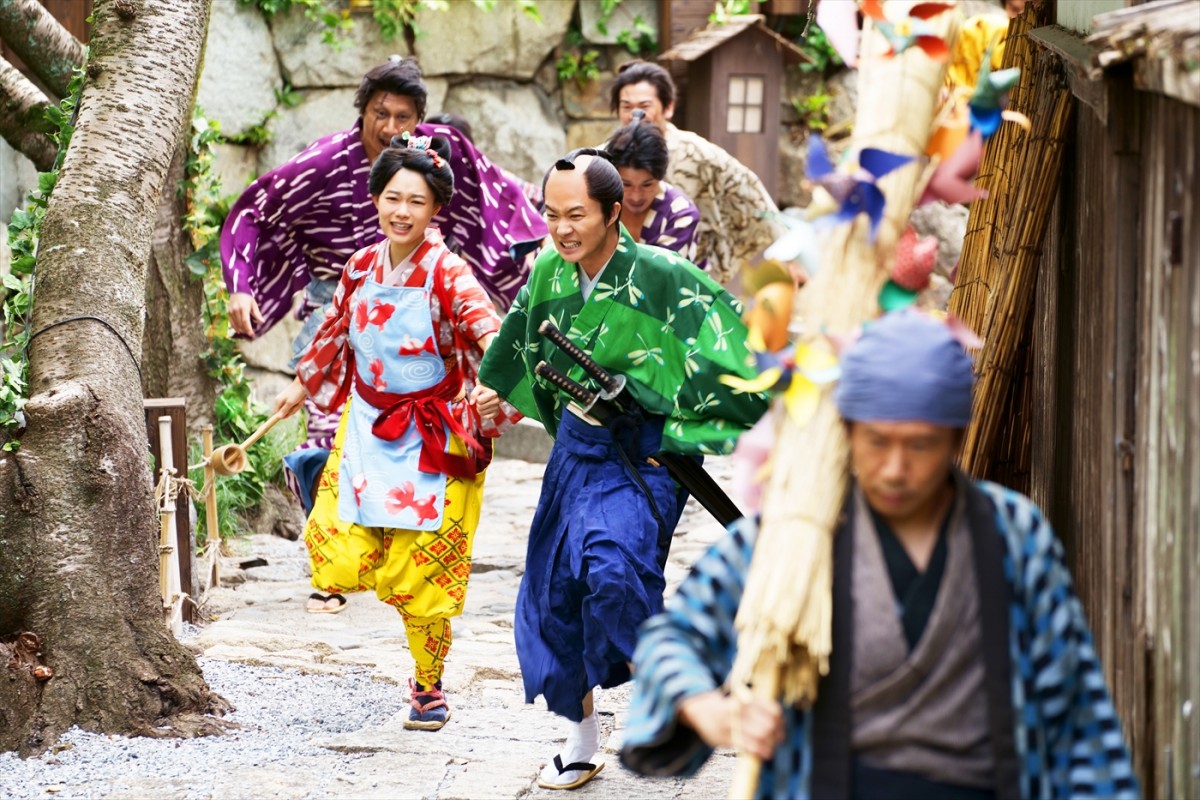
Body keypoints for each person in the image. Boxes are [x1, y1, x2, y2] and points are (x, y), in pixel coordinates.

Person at [620, 310, 1140, 799]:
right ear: (846, 433)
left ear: (957, 439)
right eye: (877, 442)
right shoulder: (795, 536)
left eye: (919, 445)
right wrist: (704, 706)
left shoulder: (1013, 534)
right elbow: (672, 639)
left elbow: (1077, 714)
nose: (894, 468)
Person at [470, 149, 769, 790]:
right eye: (551, 214)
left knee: (612, 568)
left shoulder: (662, 275)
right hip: (577, 451)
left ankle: (686, 691)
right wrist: (495, 391)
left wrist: (677, 421)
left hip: (646, 456)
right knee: (555, 595)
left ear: (613, 211)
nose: (562, 228)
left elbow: (738, 357)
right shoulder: (550, 272)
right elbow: (516, 346)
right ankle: (580, 739)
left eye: (576, 214)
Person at [219, 56, 545, 517]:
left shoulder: (439, 154)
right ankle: (330, 549)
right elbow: (255, 209)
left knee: (417, 445)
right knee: (328, 441)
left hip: (423, 324)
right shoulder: (324, 162)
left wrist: (567, 221)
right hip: (340, 300)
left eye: (403, 117)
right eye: (380, 113)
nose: (391, 126)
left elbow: (505, 189)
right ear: (362, 111)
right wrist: (241, 285)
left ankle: (398, 541)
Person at [272, 134, 518, 730]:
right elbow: (332, 329)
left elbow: (492, 335)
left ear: (436, 209)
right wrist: (301, 387)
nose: (401, 211)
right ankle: (316, 472)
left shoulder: (449, 273)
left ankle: (428, 687)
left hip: (435, 435)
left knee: (424, 569)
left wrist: (497, 386)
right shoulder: (360, 264)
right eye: (391, 197)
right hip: (368, 424)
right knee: (333, 550)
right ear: (376, 199)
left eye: (416, 200)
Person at [610, 60, 782, 285]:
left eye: (645, 105)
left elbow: (751, 192)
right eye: (626, 106)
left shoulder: (699, 153)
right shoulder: (605, 156)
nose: (636, 115)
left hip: (690, 272)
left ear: (668, 107)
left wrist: (786, 252)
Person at [603, 110, 701, 266]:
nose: (636, 196)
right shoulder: (598, 201)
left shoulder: (680, 213)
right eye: (626, 184)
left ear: (660, 176)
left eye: (647, 184)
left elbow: (662, 276)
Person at [947, 0, 1026, 89]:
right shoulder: (980, 29)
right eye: (1014, 9)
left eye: (1024, 10)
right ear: (1005, 6)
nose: (1020, 16)